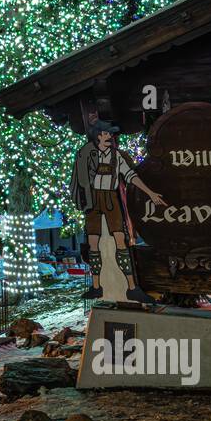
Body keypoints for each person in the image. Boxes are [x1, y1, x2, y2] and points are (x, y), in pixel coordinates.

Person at [71, 119, 168, 303]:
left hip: (111, 200)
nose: (111, 138)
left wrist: (150, 192)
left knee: (120, 241)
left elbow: (131, 176)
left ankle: (132, 287)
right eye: (108, 134)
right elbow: (81, 180)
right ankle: (97, 286)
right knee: (94, 244)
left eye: (112, 135)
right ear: (99, 136)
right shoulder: (87, 155)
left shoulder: (117, 157)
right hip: (94, 201)